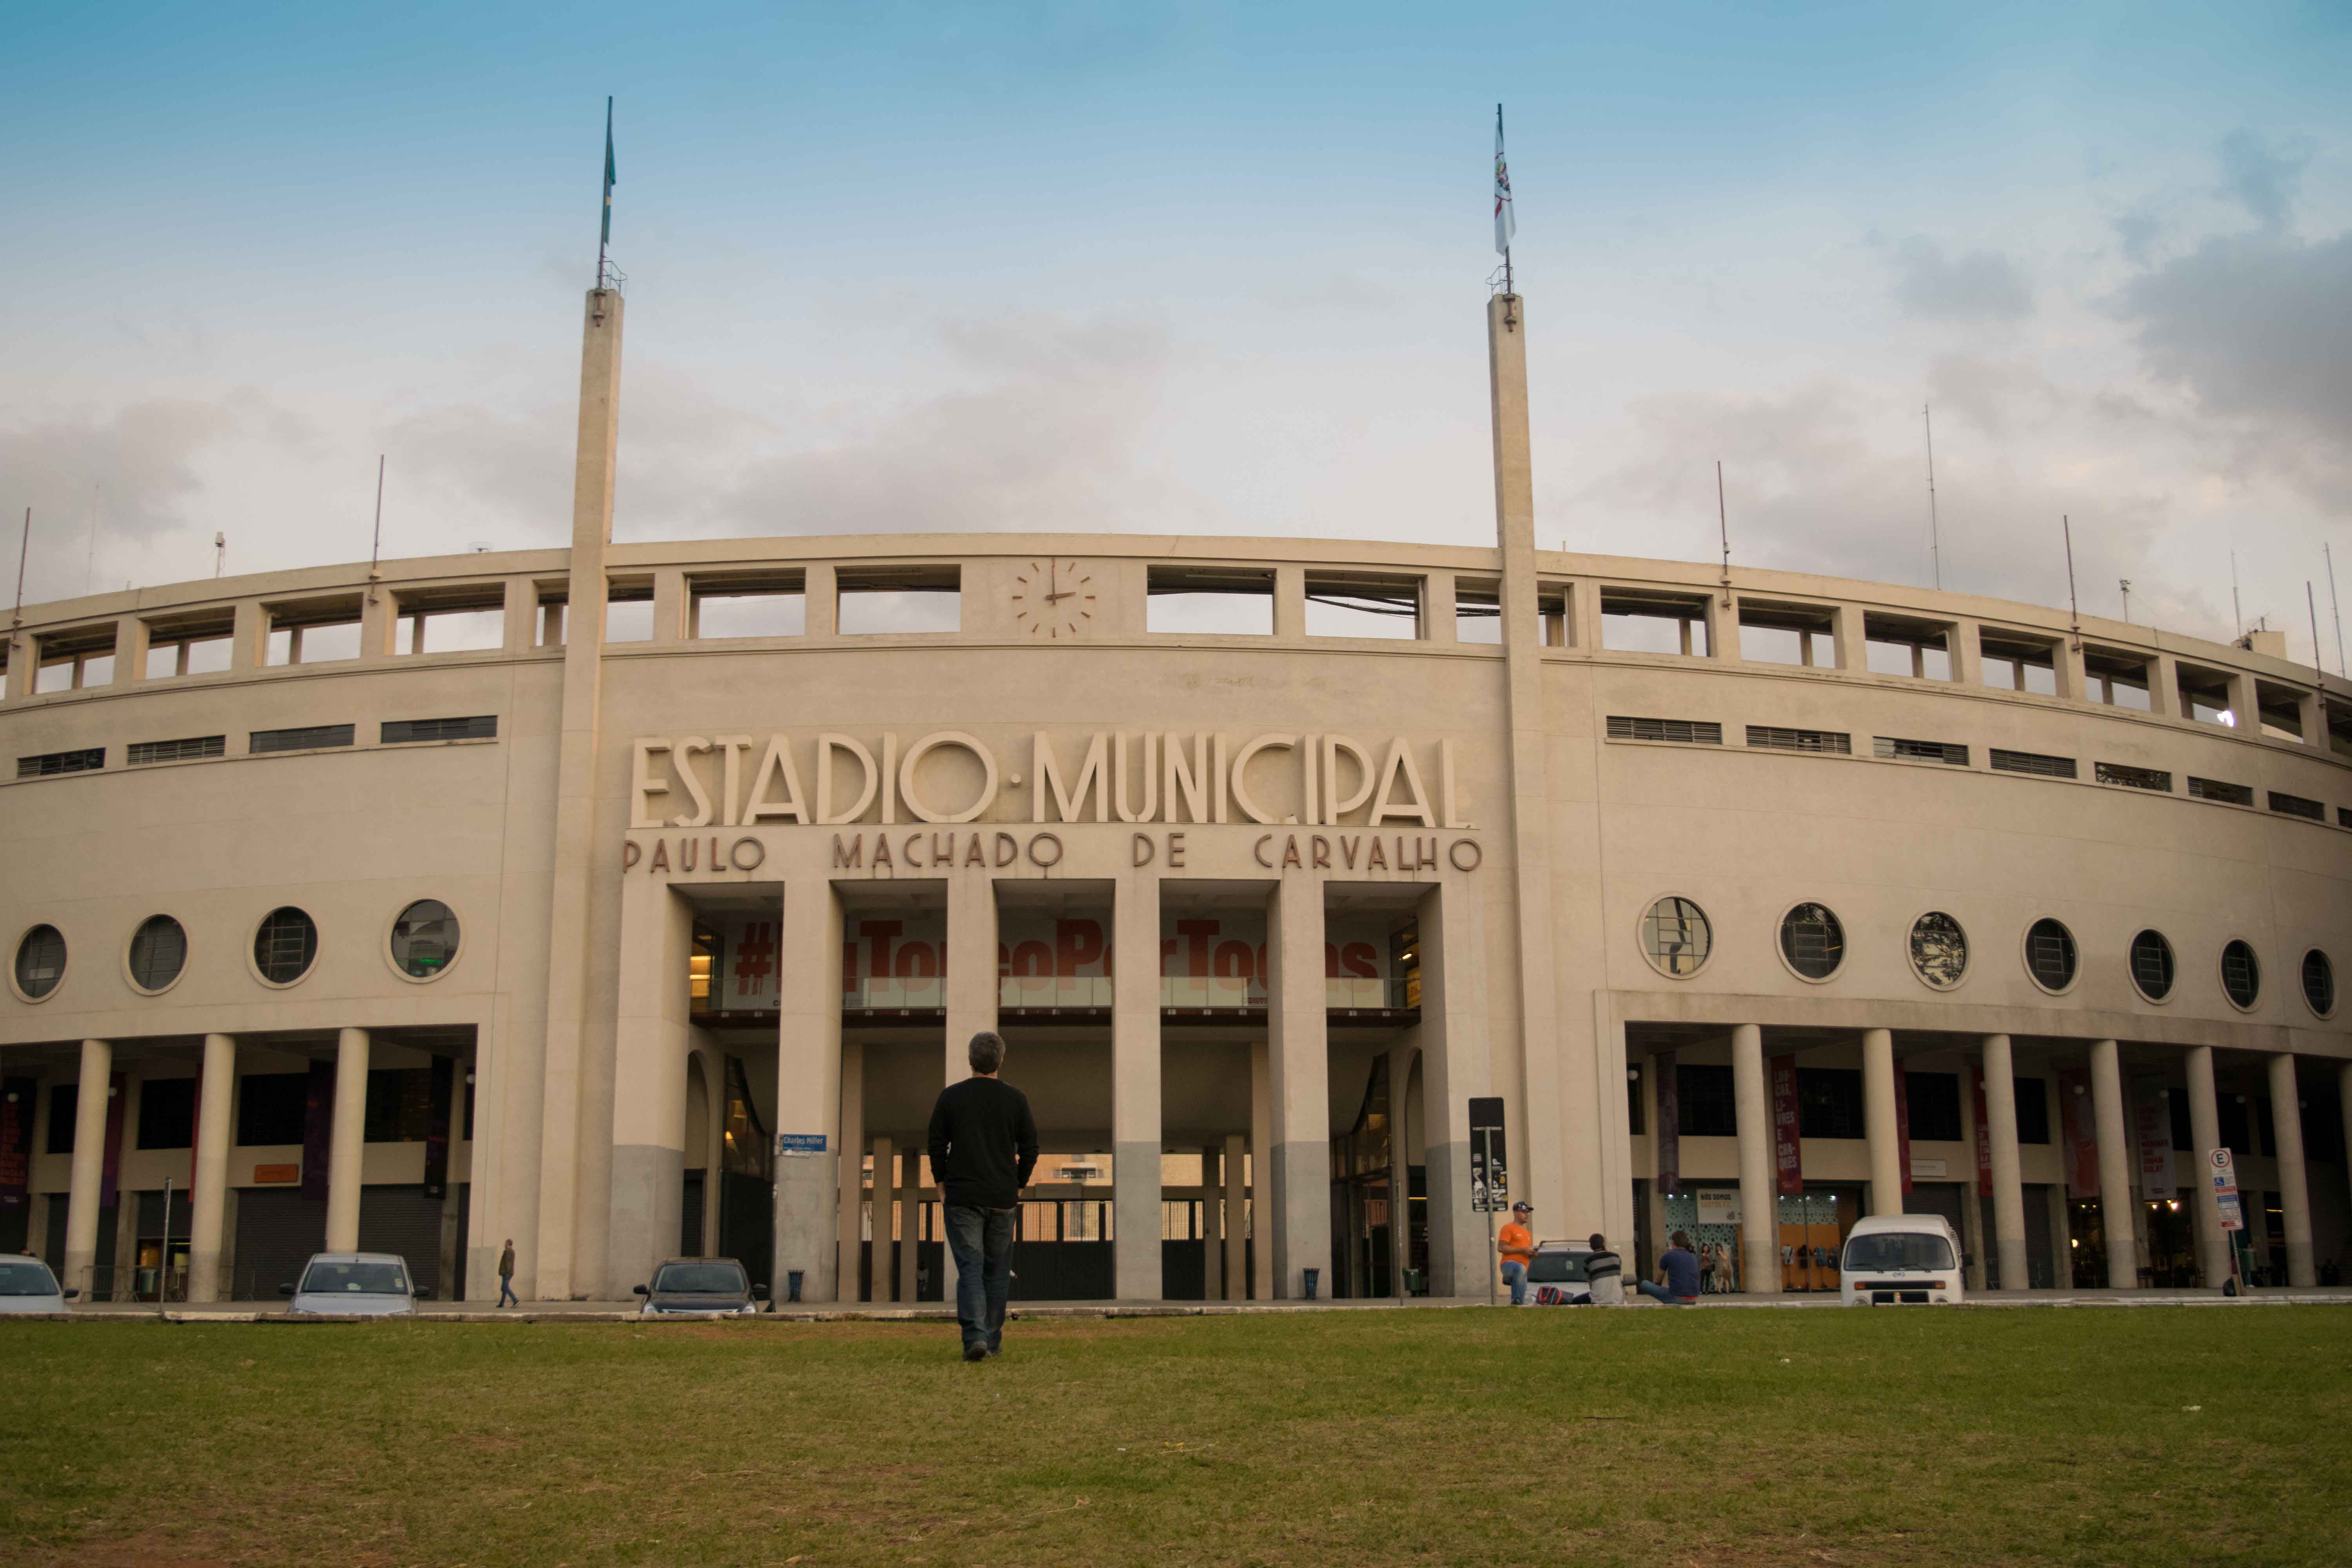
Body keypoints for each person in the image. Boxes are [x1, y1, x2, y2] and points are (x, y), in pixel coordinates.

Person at [927, 1029, 1039, 1362]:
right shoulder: (1016, 1099)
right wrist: (1019, 1184)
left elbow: (936, 1144)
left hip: (962, 1198)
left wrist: (941, 1184)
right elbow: (1031, 1147)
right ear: (1000, 1061)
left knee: (971, 1269)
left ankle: (975, 1337)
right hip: (1003, 1200)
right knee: (997, 1271)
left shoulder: (951, 1097)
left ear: (970, 1060)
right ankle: (991, 1341)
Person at [1635, 1230, 1702, 1305]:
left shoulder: (1668, 1256)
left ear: (1673, 1243)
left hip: (1677, 1298)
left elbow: (1659, 1279)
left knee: (1645, 1284)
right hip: (1694, 1299)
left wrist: (1657, 1288)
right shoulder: (1694, 1257)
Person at [1497, 1201, 1535, 1305]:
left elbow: (1525, 1253)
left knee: (1522, 1271)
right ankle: (1516, 1300)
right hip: (1508, 1264)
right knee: (1520, 1269)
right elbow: (1501, 1247)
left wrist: (1531, 1254)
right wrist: (1523, 1250)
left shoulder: (1527, 1233)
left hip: (1523, 1268)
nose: (1527, 1215)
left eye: (1528, 1212)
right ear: (1515, 1213)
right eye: (1524, 1212)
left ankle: (1518, 1304)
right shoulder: (1508, 1228)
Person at [1583, 1232, 1624, 1305]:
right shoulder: (1617, 1257)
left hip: (1598, 1300)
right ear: (1604, 1244)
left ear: (1591, 1246)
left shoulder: (1588, 1262)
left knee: (1574, 1301)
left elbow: (1591, 1284)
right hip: (1617, 1299)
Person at [496, 1239, 517, 1308]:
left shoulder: (508, 1252)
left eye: (506, 1243)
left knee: (506, 1288)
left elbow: (508, 1263)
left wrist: (507, 1273)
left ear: (508, 1244)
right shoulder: (511, 1252)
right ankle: (502, 1304)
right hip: (507, 1273)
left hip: (507, 1273)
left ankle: (515, 1300)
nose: (505, 1245)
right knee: (504, 1288)